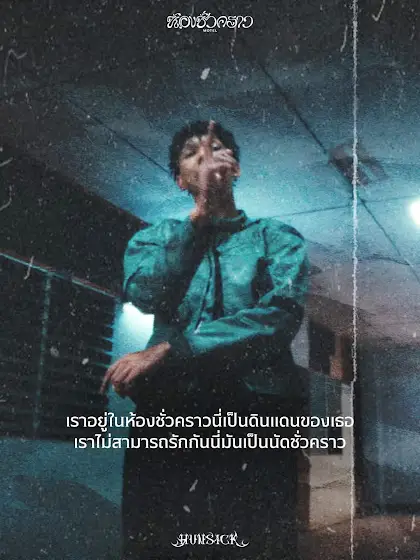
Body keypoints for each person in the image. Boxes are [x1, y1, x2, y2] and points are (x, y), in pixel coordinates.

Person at [101, 120, 309, 560]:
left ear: (235, 168)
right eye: (192, 152)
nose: (205, 156)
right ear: (180, 179)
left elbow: (280, 315)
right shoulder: (154, 238)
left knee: (256, 540)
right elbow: (145, 294)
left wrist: (171, 348)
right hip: (170, 410)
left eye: (216, 148)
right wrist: (198, 217)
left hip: (256, 411)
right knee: (158, 538)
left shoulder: (277, 238)